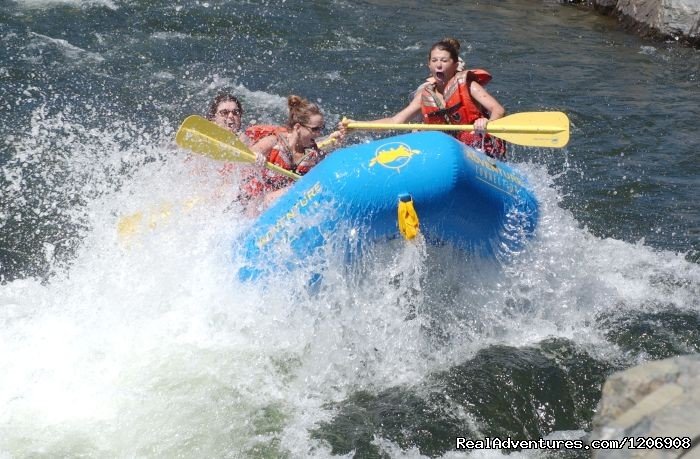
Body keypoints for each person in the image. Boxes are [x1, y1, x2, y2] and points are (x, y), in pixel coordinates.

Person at [344, 38, 507, 159]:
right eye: (434, 61)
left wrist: (487, 123)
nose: (439, 65)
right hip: (448, 154)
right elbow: (395, 121)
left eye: (444, 61)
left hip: (478, 150)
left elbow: (497, 109)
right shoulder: (424, 95)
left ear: (455, 65)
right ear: (429, 66)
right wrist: (357, 126)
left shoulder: (469, 85)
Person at [240, 94, 343, 210]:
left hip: (281, 204)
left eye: (321, 128)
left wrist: (335, 141)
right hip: (255, 201)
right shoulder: (274, 142)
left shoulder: (313, 154)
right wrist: (256, 158)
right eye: (315, 129)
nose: (319, 133)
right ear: (298, 127)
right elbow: (243, 160)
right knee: (278, 195)